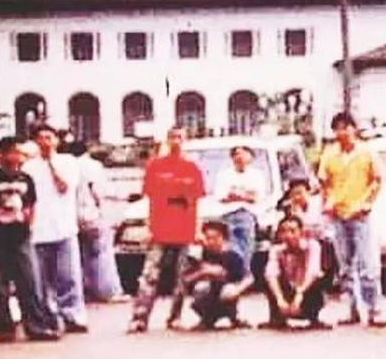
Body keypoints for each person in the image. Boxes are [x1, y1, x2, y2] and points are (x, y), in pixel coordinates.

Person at [0, 136, 62, 342]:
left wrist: (28, 226)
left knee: (29, 283)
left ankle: (35, 326)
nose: (19, 157)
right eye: (15, 152)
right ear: (3, 154)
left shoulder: (26, 179)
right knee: (0, 286)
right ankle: (5, 328)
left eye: (20, 153)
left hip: (21, 237)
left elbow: (31, 205)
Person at [128, 126, 205, 333]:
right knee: (150, 276)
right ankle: (140, 318)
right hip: (159, 230)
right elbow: (148, 200)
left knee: (182, 277)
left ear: (186, 140)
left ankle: (175, 317)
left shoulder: (193, 169)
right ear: (167, 140)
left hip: (185, 231)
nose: (176, 141)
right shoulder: (155, 167)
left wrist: (198, 230)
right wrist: (148, 228)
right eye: (172, 137)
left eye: (180, 137)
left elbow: (197, 202)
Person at [317, 112, 386, 327]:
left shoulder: (366, 152)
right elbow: (324, 183)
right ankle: (352, 309)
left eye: (346, 127)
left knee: (367, 264)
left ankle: (374, 310)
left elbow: (377, 180)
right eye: (338, 128)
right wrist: (327, 204)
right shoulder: (330, 154)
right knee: (345, 266)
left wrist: (368, 203)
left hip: (360, 214)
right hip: (339, 214)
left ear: (354, 129)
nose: (342, 132)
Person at [24, 123, 89, 333]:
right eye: (41, 138)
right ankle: (49, 317)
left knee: (68, 276)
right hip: (38, 231)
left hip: (64, 228)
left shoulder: (68, 162)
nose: (45, 142)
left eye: (49, 137)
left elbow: (64, 187)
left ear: (56, 140)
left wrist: (51, 163)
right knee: (41, 281)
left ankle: (73, 316)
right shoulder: (28, 168)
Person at [68, 141, 128, 303]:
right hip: (91, 214)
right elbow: (99, 191)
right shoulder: (92, 166)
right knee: (101, 253)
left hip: (72, 217)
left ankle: (83, 290)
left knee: (78, 256)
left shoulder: (67, 165)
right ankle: (108, 291)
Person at [260, 215, 330, 330]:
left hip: (304, 289)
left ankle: (313, 317)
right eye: (283, 231)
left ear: (301, 232)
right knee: (267, 277)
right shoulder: (276, 250)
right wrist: (279, 299)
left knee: (318, 278)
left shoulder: (312, 246)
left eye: (292, 231)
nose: (288, 235)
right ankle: (277, 318)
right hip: (288, 290)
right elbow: (271, 274)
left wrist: (300, 293)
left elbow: (313, 271)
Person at [184, 220, 252, 330]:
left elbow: (248, 278)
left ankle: (233, 317)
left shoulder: (233, 256)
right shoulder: (201, 255)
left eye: (215, 238)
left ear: (223, 238)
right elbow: (186, 279)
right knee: (201, 288)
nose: (211, 242)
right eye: (208, 238)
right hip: (206, 293)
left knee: (229, 290)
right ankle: (206, 319)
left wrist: (237, 290)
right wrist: (203, 272)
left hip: (225, 293)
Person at [214, 144, 265, 266]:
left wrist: (236, 195)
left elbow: (255, 197)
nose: (240, 157)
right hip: (228, 216)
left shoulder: (257, 175)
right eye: (237, 154)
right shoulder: (224, 175)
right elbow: (222, 197)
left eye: (243, 153)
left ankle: (245, 273)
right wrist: (244, 196)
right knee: (230, 250)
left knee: (246, 249)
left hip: (247, 215)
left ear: (250, 157)